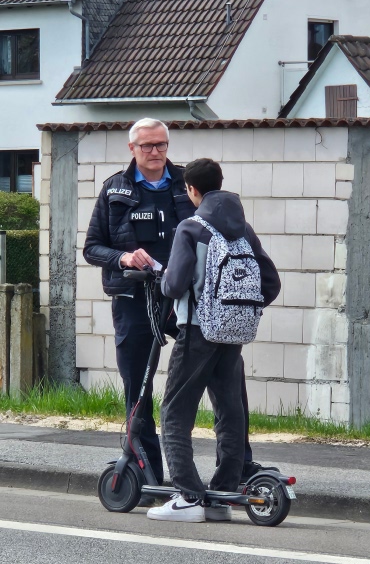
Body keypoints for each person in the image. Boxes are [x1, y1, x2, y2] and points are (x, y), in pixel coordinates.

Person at [83, 118, 270, 490]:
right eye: (147, 146)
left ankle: (237, 466)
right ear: (132, 148)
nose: (155, 152)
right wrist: (123, 258)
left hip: (189, 298)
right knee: (138, 386)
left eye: (161, 145)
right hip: (135, 297)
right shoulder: (114, 188)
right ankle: (146, 470)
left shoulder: (190, 183)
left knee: (227, 381)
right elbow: (92, 248)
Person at [147, 158, 281, 523]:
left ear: (192, 190)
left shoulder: (191, 228)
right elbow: (270, 283)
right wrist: (237, 309)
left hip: (196, 332)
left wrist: (163, 282)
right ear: (220, 183)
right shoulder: (244, 230)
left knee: (175, 412)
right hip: (233, 335)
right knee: (230, 412)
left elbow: (175, 284)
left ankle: (188, 497)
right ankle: (221, 497)